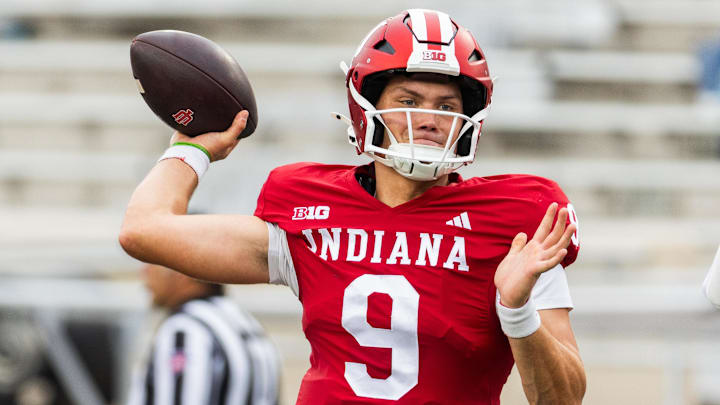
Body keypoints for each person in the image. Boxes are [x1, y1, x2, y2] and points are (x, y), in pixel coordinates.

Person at [120, 9, 585, 404]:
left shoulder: (516, 222)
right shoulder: (309, 208)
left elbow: (563, 397)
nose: (428, 120)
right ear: (366, 108)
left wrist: (516, 309)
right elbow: (143, 230)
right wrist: (192, 149)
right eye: (408, 100)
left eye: (447, 106)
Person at [126, 262, 281, 405]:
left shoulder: (184, 329)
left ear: (181, 267)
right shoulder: (247, 322)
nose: (145, 270)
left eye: (154, 260)